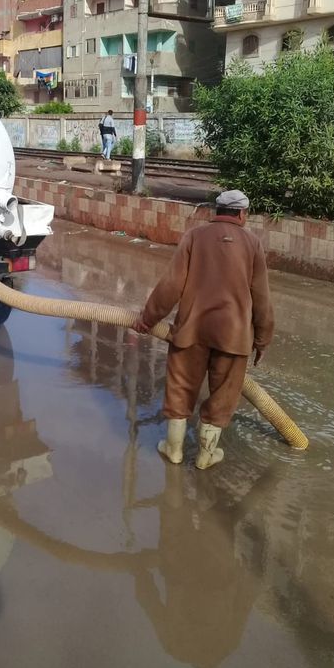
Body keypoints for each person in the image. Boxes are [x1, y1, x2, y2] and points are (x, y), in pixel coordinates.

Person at [133, 189, 274, 470]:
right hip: (233, 337)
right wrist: (262, 340)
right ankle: (205, 456)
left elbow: (171, 285)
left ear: (216, 210)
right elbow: (262, 297)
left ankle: (173, 451)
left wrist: (147, 319)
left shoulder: (194, 237)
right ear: (243, 214)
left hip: (191, 332)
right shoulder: (252, 244)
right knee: (223, 396)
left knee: (180, 390)